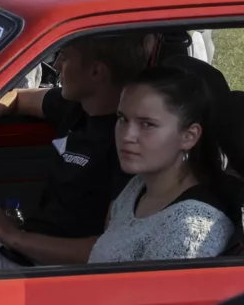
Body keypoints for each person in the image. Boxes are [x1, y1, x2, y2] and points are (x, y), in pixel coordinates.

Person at [0, 35, 149, 269]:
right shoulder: (75, 107)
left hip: (50, 272)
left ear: (96, 72)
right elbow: (17, 97)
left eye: (65, 57)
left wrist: (10, 234)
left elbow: (105, 250)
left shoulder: (127, 146)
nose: (57, 64)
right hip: (26, 246)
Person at [88, 66, 233, 263]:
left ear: (189, 136)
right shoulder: (137, 187)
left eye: (147, 124)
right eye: (122, 119)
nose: (127, 136)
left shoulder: (188, 229)